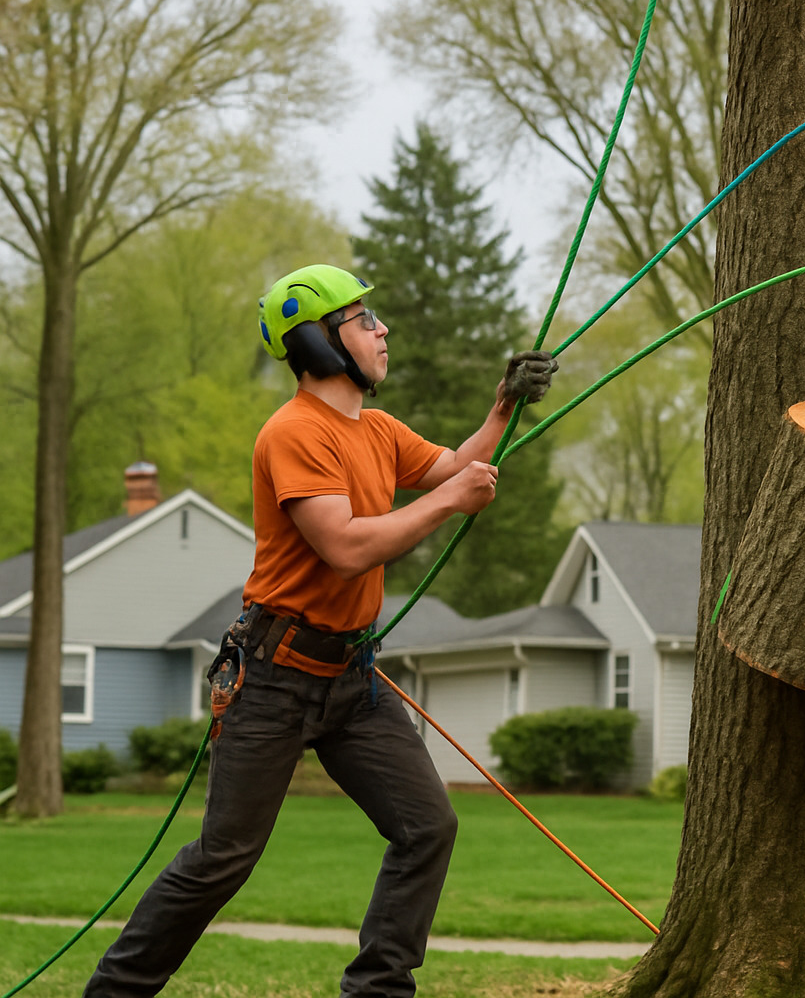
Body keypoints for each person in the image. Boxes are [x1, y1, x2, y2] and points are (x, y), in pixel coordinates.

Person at [84, 264, 558, 998]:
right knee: (224, 858)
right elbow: (345, 546)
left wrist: (501, 410)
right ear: (318, 341)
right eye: (363, 319)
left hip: (352, 681)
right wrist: (451, 501)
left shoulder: (378, 430)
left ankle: (378, 990)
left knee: (427, 827)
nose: (383, 329)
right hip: (272, 677)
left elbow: (452, 469)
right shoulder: (293, 433)